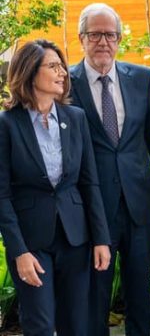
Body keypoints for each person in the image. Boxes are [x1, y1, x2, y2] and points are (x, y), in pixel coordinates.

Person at [0, 39, 112, 335]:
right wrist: (18, 251)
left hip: (75, 237)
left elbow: (89, 182)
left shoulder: (76, 118)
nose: (62, 72)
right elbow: (1, 194)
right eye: (53, 66)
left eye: (62, 65)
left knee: (76, 324)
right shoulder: (7, 124)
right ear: (29, 72)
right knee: (39, 324)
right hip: (32, 243)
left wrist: (101, 239)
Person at [68, 3, 150, 336]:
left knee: (140, 295)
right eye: (95, 34)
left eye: (110, 34)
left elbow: (146, 137)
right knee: (95, 296)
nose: (103, 41)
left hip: (138, 205)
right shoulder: (66, 82)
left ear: (119, 39)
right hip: (93, 209)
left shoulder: (143, 78)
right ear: (82, 38)